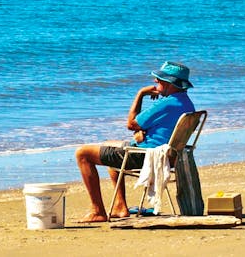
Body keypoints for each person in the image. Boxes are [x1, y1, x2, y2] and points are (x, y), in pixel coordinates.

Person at [74, 61, 195, 222]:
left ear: (170, 83)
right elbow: (154, 128)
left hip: (146, 156)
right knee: (109, 144)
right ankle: (120, 206)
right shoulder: (186, 103)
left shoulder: (166, 103)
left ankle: (98, 211)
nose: (155, 81)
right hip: (170, 155)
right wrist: (140, 133)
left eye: (159, 79)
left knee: (82, 153)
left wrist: (140, 94)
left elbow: (131, 123)